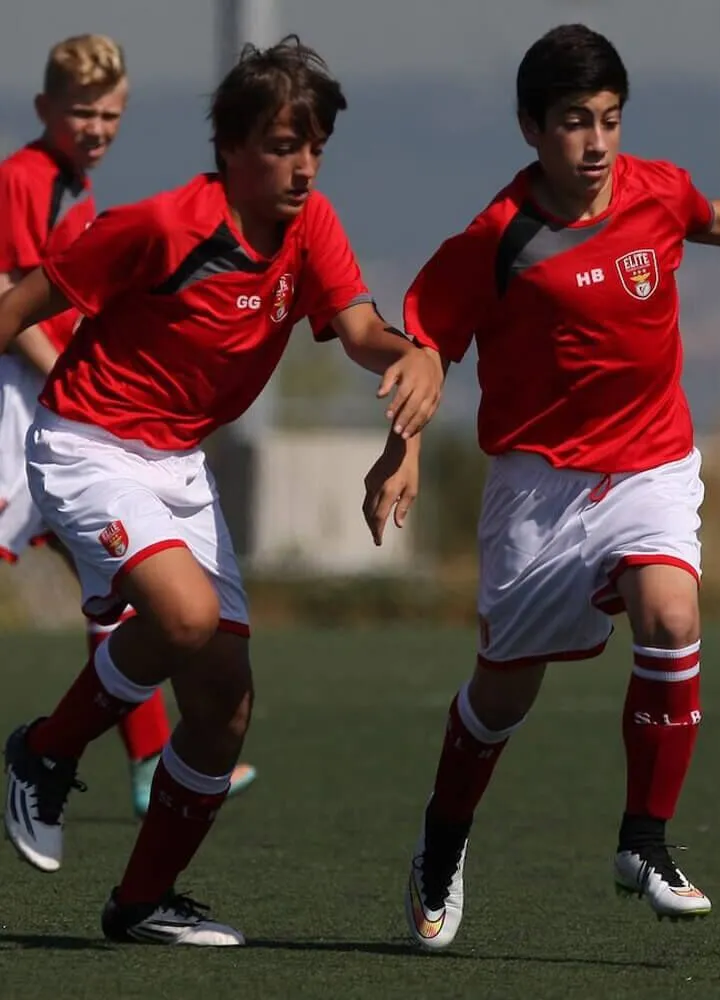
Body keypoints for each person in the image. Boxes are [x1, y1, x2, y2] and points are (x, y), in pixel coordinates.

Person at [361, 23, 720, 951]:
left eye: (610, 120)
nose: (596, 143)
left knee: (671, 615)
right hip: (539, 490)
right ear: (531, 127)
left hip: (653, 463)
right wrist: (405, 448)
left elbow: (712, 216)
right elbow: (428, 344)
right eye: (575, 122)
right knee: (501, 700)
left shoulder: (652, 188)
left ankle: (644, 841)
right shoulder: (499, 238)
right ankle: (442, 839)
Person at [2, 36, 442, 946]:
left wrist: (418, 360)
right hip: (88, 444)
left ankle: (140, 901)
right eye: (285, 145)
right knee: (187, 619)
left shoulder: (314, 225)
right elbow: (19, 306)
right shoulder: (163, 224)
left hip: (178, 466)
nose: (304, 164)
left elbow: (361, 333)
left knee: (225, 701)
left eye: (316, 144)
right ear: (232, 146)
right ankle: (44, 752)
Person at [0, 33, 257, 817]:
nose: (98, 128)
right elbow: (13, 297)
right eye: (82, 112)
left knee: (116, 589)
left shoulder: (76, 187)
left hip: (68, 412)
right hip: (25, 405)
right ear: (46, 109)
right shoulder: (27, 177)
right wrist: (74, 386)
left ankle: (148, 761)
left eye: (111, 114)